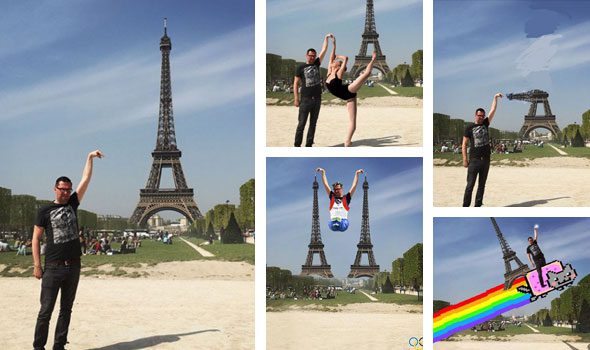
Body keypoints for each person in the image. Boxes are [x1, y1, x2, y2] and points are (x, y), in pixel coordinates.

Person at [32, 150, 103, 350]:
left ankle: (59, 346)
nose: (65, 192)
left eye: (68, 189)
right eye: (62, 189)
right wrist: (37, 265)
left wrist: (89, 158)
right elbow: (35, 239)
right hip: (52, 268)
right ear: (55, 189)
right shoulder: (44, 211)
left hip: (73, 267)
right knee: (45, 310)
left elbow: (86, 178)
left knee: (66, 310)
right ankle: (38, 347)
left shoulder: (73, 203)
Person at [325, 34, 377, 146]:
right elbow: (331, 57)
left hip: (348, 92)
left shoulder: (339, 72)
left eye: (335, 62)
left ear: (338, 66)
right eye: (333, 62)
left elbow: (346, 58)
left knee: (367, 73)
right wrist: (334, 44)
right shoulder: (329, 72)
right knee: (351, 120)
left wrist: (339, 56)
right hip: (345, 96)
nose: (333, 61)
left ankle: (347, 141)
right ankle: (348, 141)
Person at [462, 93, 503, 206]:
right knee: (470, 185)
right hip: (474, 160)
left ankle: (478, 205)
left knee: (481, 185)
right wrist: (465, 159)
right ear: (475, 115)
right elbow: (464, 144)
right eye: (479, 115)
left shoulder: (486, 123)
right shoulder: (469, 127)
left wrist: (495, 97)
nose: (480, 117)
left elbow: (493, 110)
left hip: (486, 160)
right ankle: (465, 206)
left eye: (482, 115)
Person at [293, 34, 330, 147]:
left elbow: (324, 50)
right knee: (301, 124)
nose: (312, 57)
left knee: (313, 124)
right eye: (310, 56)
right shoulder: (300, 67)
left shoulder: (317, 64)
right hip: (305, 99)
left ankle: (309, 145)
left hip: (317, 99)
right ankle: (297, 145)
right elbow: (295, 83)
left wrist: (326, 38)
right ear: (306, 55)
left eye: (314, 56)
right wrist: (296, 98)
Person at [316, 167, 364, 231]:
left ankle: (338, 222)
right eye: (335, 189)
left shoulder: (346, 198)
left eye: (338, 189)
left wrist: (356, 174)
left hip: (343, 223)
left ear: (341, 189)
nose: (336, 191)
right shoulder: (332, 197)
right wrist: (323, 172)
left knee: (338, 223)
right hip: (333, 222)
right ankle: (336, 222)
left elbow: (354, 185)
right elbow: (326, 184)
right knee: (332, 223)